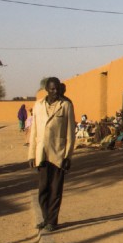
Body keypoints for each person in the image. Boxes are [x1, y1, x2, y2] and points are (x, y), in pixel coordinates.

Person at [28, 77, 76, 232]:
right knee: (43, 189)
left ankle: (52, 221)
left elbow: (70, 133)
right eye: (52, 89)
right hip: (41, 154)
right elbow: (34, 131)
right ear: (47, 90)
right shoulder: (38, 106)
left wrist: (68, 156)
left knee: (56, 189)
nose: (55, 92)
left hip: (58, 153)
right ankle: (45, 217)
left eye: (57, 89)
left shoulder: (66, 105)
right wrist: (31, 154)